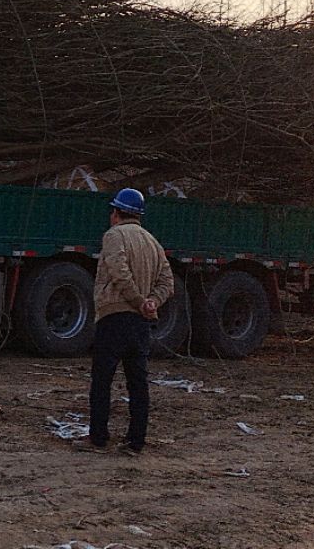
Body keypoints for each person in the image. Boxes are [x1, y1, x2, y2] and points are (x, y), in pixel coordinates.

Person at [83, 188, 174, 455]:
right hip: (140, 323)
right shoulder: (152, 242)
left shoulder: (114, 236)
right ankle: (136, 441)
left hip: (114, 317)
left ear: (116, 213)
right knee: (138, 382)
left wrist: (136, 300)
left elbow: (118, 271)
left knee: (102, 380)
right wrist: (151, 302)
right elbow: (167, 282)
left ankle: (98, 439)